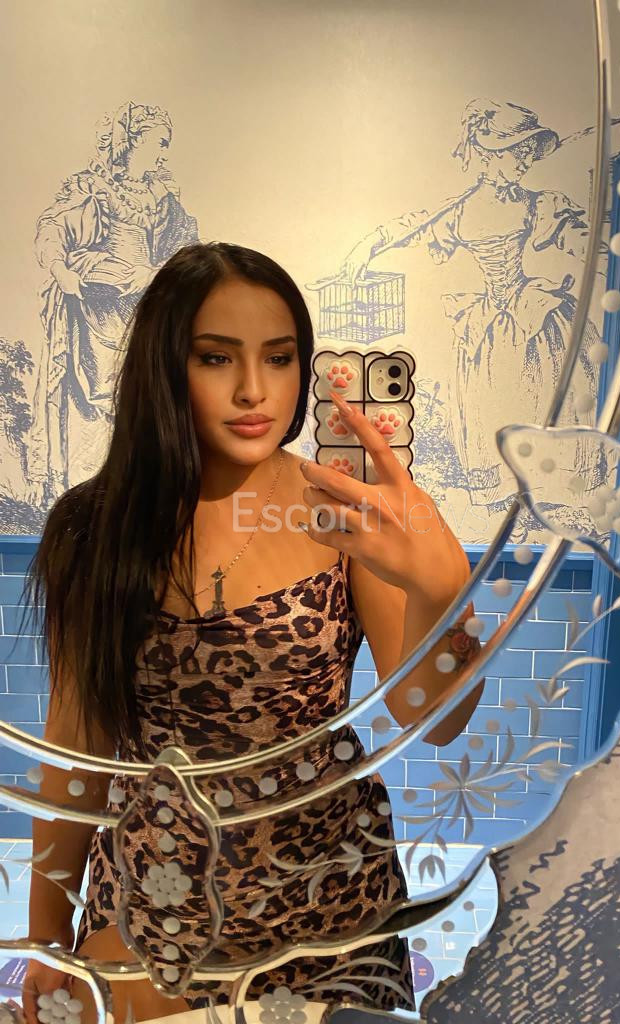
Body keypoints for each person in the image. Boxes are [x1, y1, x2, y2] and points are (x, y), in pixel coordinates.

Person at [19, 242, 485, 1024]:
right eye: (215, 357)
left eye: (278, 358)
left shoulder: (338, 506)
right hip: (155, 903)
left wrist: (440, 592)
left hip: (330, 901)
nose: (252, 390)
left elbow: (428, 719)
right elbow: (78, 748)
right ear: (165, 368)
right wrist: (43, 934)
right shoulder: (94, 529)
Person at [340, 98, 610, 534]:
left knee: (547, 403)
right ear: (488, 153)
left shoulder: (538, 204)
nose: (524, 161)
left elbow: (579, 238)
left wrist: (604, 256)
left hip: (534, 318)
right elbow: (411, 226)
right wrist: (364, 248)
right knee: (495, 410)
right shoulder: (460, 210)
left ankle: (557, 500)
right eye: (516, 151)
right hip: (488, 327)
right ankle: (514, 504)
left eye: (527, 152)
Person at [26, 101, 198, 509]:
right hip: (97, 306)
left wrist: (155, 272)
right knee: (96, 398)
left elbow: (189, 250)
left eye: (166, 144)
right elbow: (52, 229)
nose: (163, 153)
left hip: (143, 310)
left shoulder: (162, 195)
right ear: (132, 141)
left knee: (141, 398)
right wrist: (62, 272)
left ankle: (135, 494)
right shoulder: (94, 188)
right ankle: (89, 495)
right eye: (158, 142)